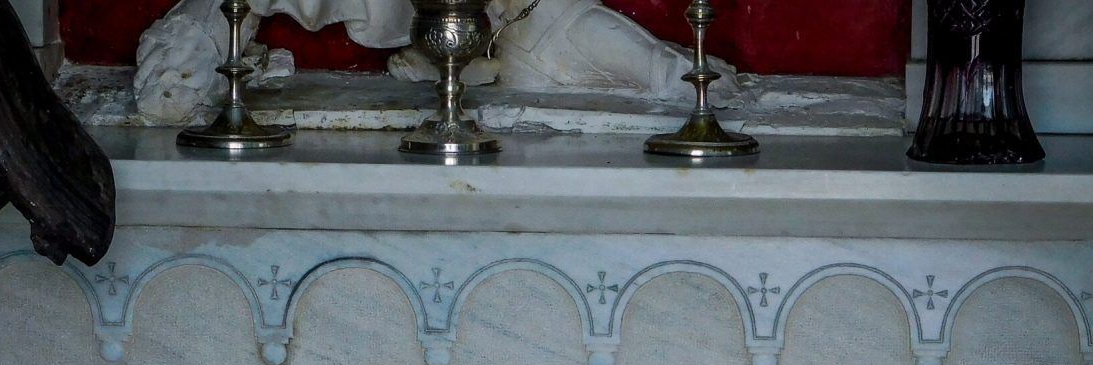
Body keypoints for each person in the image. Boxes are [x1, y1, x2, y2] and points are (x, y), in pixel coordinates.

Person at [133, 0, 739, 125]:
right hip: (517, 46)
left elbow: (695, 83)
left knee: (677, 79)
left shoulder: (567, 25)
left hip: (544, 31)